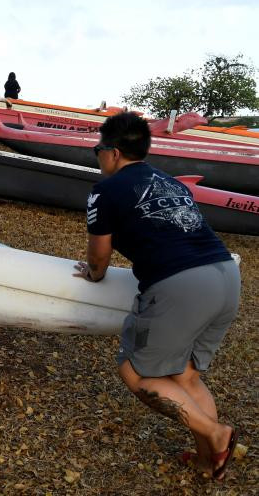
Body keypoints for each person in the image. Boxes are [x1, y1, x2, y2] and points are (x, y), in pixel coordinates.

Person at [73, 112, 241, 480]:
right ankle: (208, 460)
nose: (98, 157)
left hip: (180, 284)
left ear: (113, 153)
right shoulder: (173, 183)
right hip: (227, 275)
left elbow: (98, 259)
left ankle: (216, 433)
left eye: (98, 150)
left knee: (137, 372)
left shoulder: (105, 190)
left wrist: (94, 274)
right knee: (186, 377)